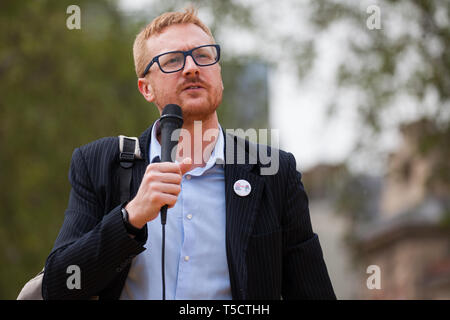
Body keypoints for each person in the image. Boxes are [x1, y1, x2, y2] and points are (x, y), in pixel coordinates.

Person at [42, 7, 336, 300]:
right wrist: (130, 218)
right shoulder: (101, 164)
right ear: (146, 88)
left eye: (204, 56)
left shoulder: (272, 171)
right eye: (172, 61)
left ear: (218, 74)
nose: (192, 67)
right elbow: (59, 285)